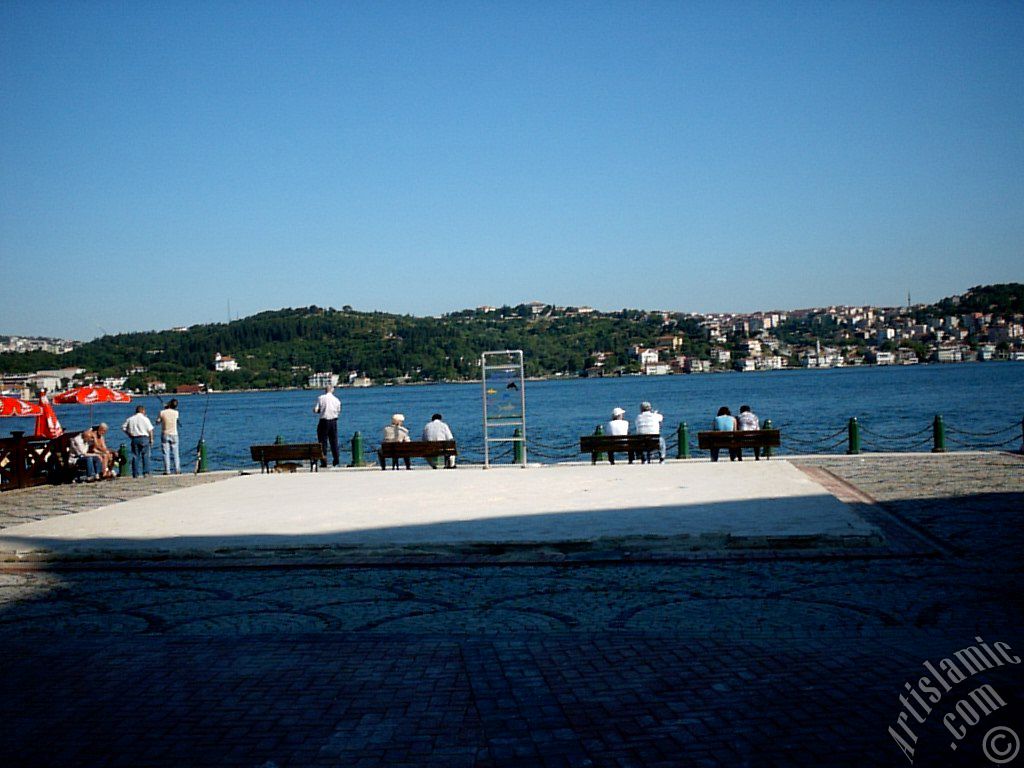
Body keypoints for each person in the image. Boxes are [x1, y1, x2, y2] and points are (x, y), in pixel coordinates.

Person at [122, 405, 155, 478]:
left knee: (135, 456)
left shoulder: (130, 419)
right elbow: (150, 430)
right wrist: (151, 439)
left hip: (134, 438)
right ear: (142, 411)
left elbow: (123, 428)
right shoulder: (145, 419)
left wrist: (129, 435)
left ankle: (135, 473)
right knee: (145, 456)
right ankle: (146, 472)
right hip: (144, 437)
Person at [313, 384, 342, 467]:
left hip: (323, 421)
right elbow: (338, 411)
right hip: (333, 422)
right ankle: (336, 460)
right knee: (334, 441)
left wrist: (318, 411)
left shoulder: (321, 398)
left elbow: (316, 410)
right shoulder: (337, 400)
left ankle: (323, 460)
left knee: (322, 442)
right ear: (332, 390)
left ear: (325, 390)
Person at [157, 399, 181, 474]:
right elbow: (176, 420)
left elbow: (157, 422)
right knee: (175, 453)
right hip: (174, 434)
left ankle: (167, 470)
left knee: (166, 453)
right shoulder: (176, 413)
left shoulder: (162, 412)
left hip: (165, 433)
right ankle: (177, 469)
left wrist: (165, 409)